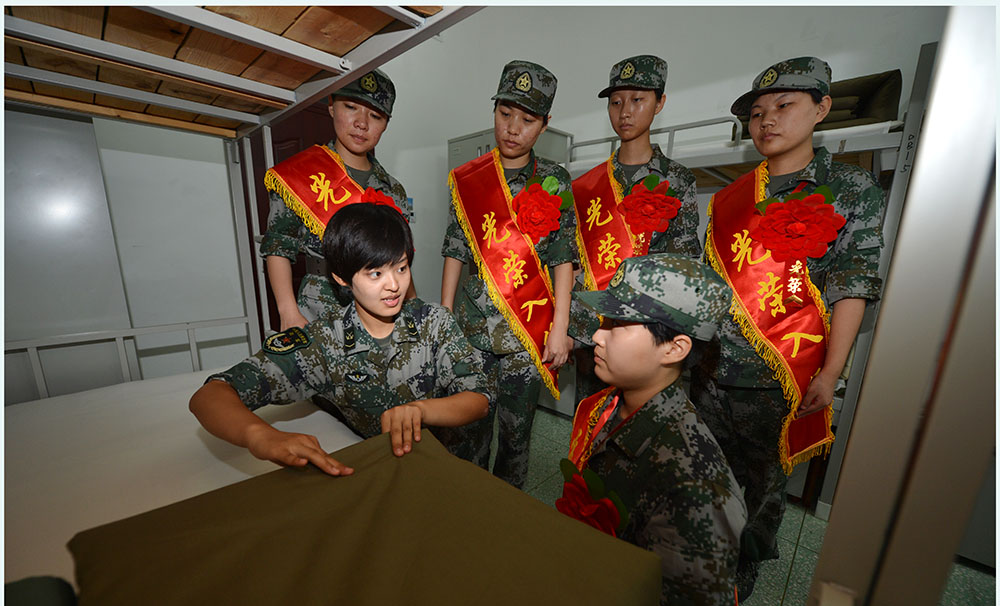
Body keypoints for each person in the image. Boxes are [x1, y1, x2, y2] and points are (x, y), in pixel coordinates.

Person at [692, 56, 886, 600]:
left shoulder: (848, 188)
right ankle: (701, 551)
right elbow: (711, 285)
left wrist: (831, 372)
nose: (768, 120)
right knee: (706, 470)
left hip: (780, 375)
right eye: (757, 113)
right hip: (711, 369)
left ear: (822, 109)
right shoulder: (732, 197)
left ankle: (742, 572)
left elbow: (852, 284)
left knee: (763, 484)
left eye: (784, 105)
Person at [190, 203, 489, 474]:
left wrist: (420, 410)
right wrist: (260, 436)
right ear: (342, 278)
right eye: (375, 274)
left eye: (401, 268)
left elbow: (478, 398)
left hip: (442, 464)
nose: (394, 285)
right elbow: (210, 395)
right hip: (376, 471)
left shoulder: (434, 322)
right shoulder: (325, 342)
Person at [557, 253, 746, 606]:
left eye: (619, 325)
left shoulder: (697, 489)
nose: (598, 335)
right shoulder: (606, 407)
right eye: (604, 321)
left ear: (675, 348)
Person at [440, 60, 577, 489]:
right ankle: (467, 507)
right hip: (471, 330)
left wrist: (560, 328)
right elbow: (455, 249)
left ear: (545, 124)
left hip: (526, 335)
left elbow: (563, 257)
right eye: (505, 113)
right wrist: (444, 317)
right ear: (494, 110)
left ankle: (506, 512)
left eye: (527, 120)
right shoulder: (470, 179)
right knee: (467, 433)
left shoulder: (555, 179)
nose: (512, 128)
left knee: (516, 439)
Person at [570, 55, 702, 406]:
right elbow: (573, 262)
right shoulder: (586, 185)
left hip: (645, 334)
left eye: (637, 100)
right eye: (616, 102)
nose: (624, 112)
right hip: (591, 328)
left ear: (660, 103)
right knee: (590, 418)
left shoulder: (677, 180)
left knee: (640, 422)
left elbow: (685, 263)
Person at [261, 69, 414, 332]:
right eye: (351, 107)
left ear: (386, 124)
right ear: (331, 106)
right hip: (320, 305)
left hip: (383, 309)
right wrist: (288, 312)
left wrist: (412, 305)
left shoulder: (394, 190)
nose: (362, 123)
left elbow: (399, 261)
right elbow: (278, 246)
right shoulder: (299, 174)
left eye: (375, 116)